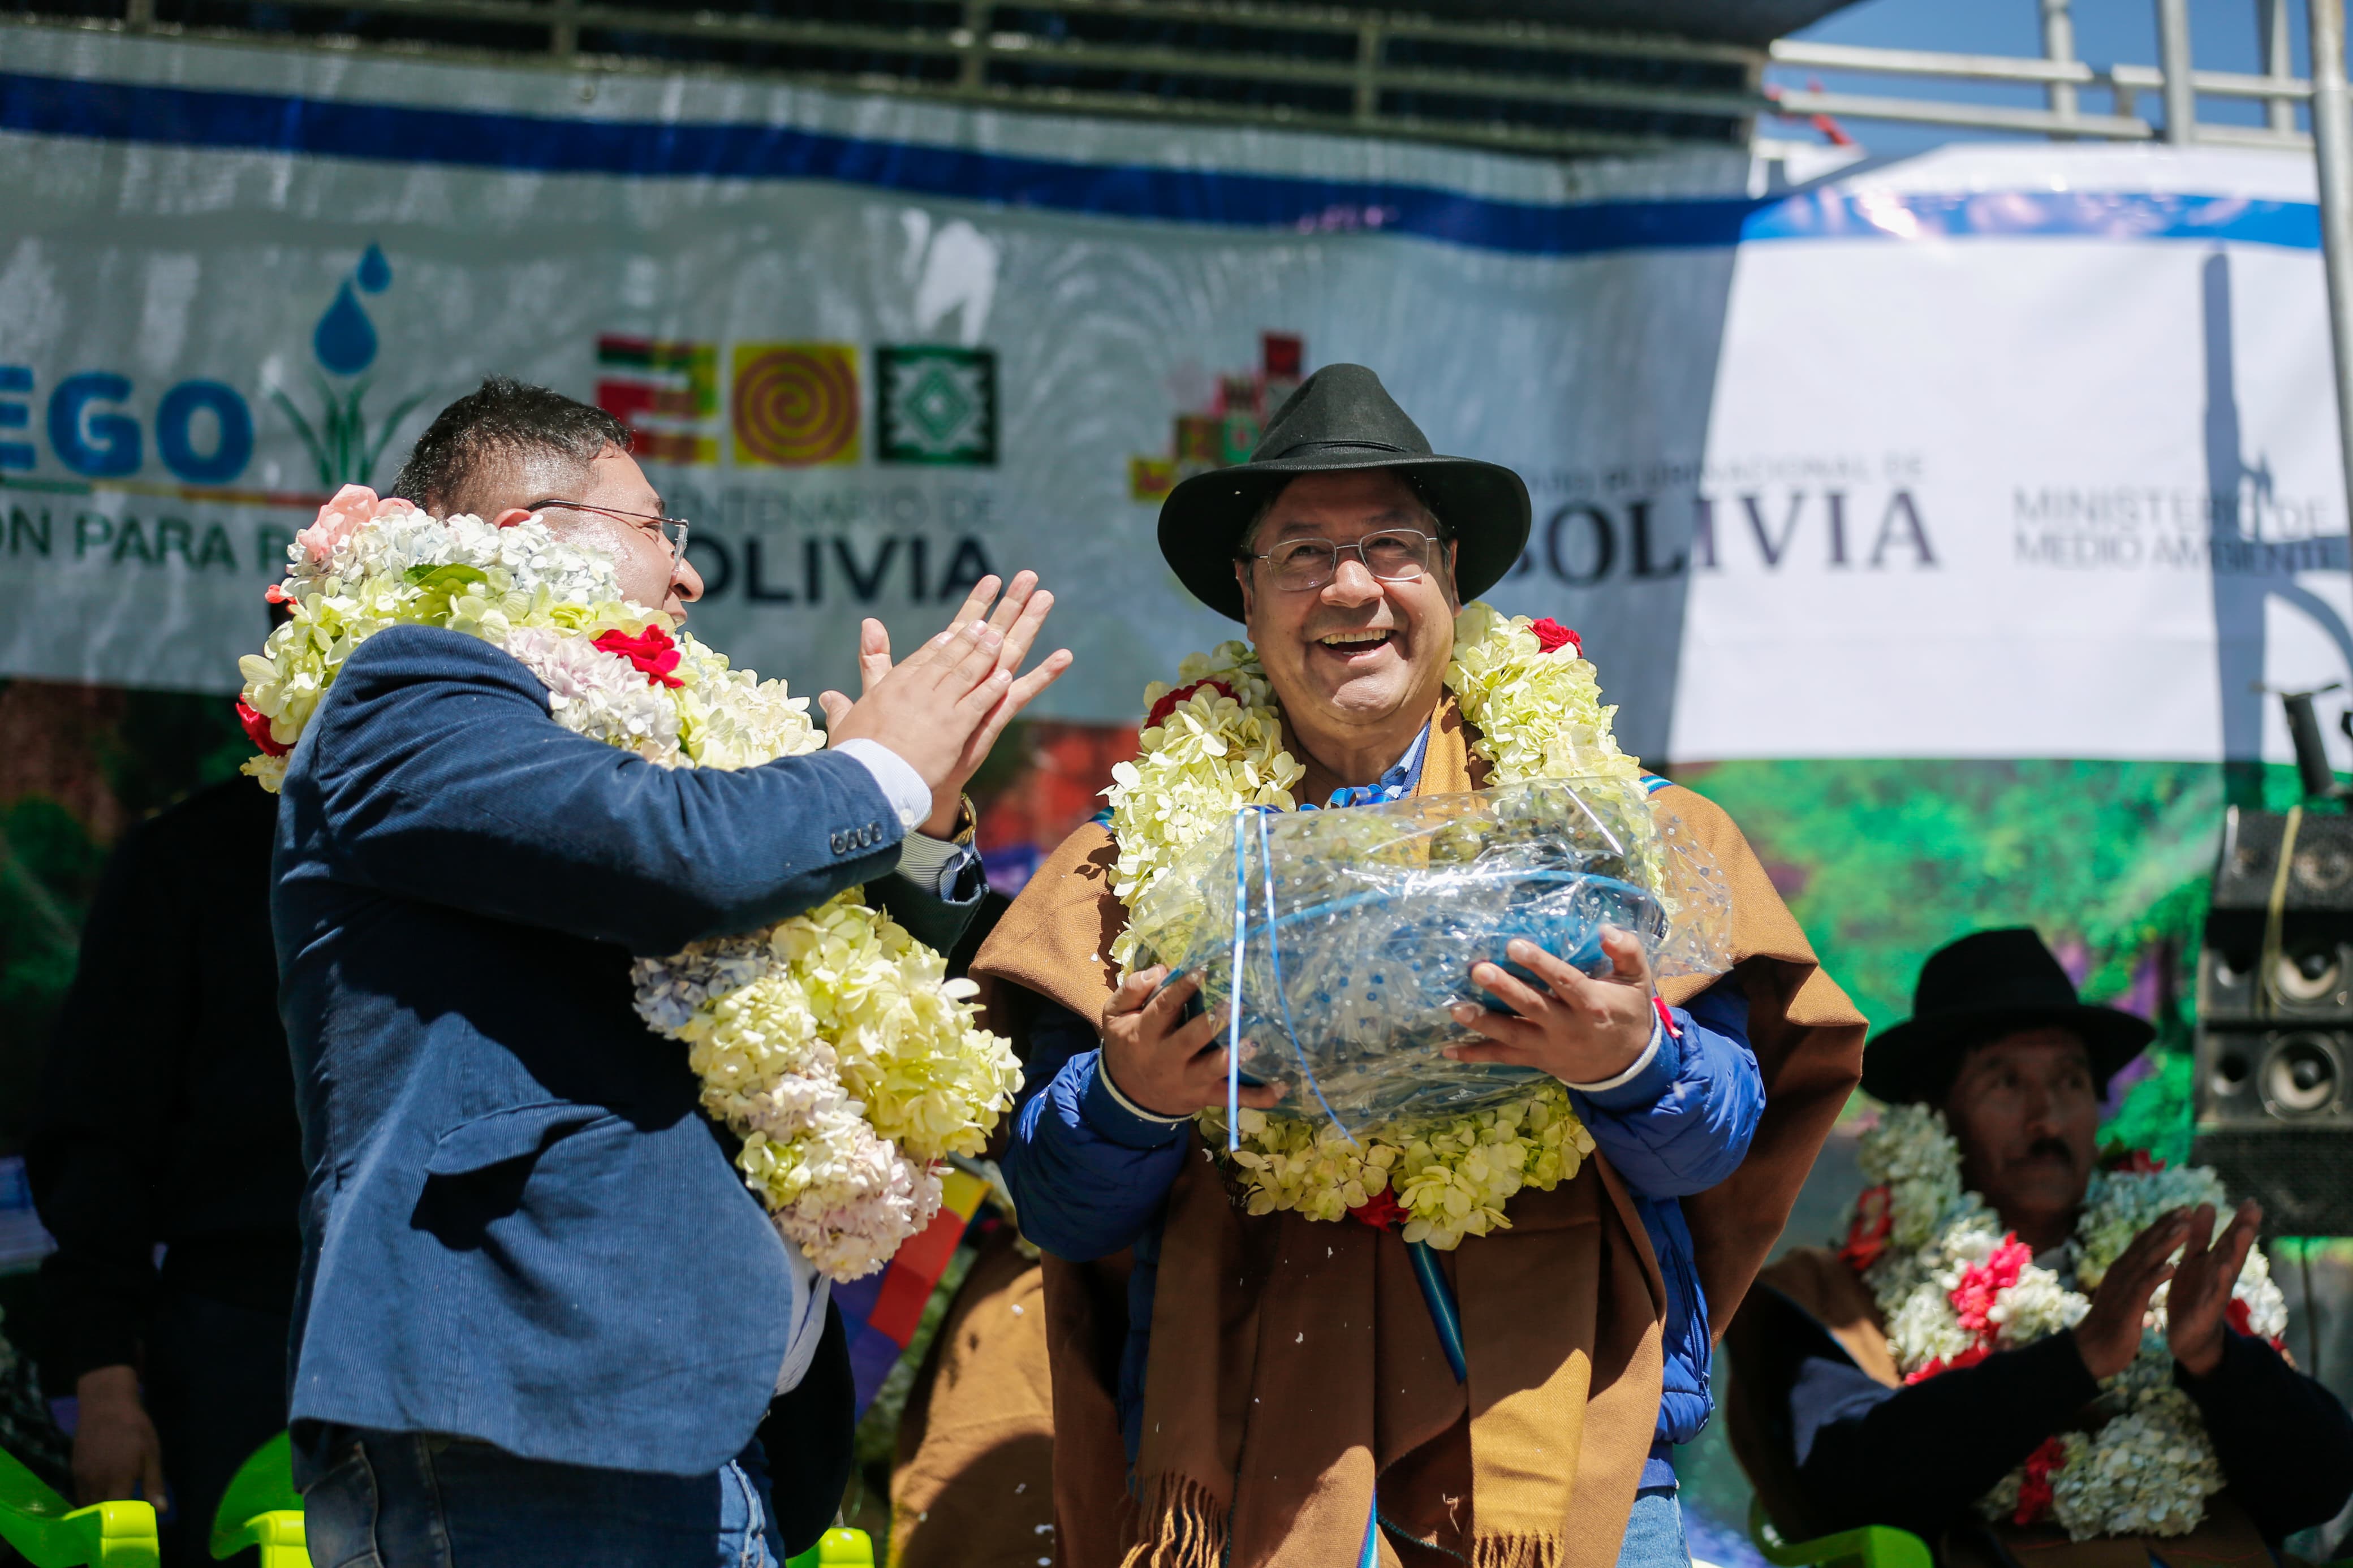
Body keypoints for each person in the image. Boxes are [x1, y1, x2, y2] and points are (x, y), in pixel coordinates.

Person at [965, 364, 1866, 1568]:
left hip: (1565, 1468)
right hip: (1247, 1468)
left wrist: (1633, 1063)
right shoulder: (1138, 866)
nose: (1351, 588)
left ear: (1449, 574)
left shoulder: (1604, 827)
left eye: (1389, 544)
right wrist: (1131, 1099)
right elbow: (1062, 1207)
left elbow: (1716, 1146)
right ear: (1245, 593)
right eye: (1301, 553)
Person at [277, 378, 1068, 1568]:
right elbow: (674, 851)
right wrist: (872, 776)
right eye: (657, 530)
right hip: (522, 1402)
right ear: (521, 534)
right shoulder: (411, 690)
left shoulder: (656, 745)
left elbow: (757, 906)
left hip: (707, 1428)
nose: (689, 578)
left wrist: (921, 818)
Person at [1725, 927, 2353, 1568]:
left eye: (2069, 1081)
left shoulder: (2183, 1262)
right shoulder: (1834, 1296)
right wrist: (2076, 1359)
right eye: (2003, 1083)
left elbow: (2315, 1489)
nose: (2046, 1119)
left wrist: (2215, 1360)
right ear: (1929, 1116)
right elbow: (1845, 1487)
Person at [28, 773, 295, 1563]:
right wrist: (105, 1381)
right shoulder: (195, 853)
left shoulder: (487, 850)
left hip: (467, 1334)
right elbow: (97, 1129)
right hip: (245, 1339)